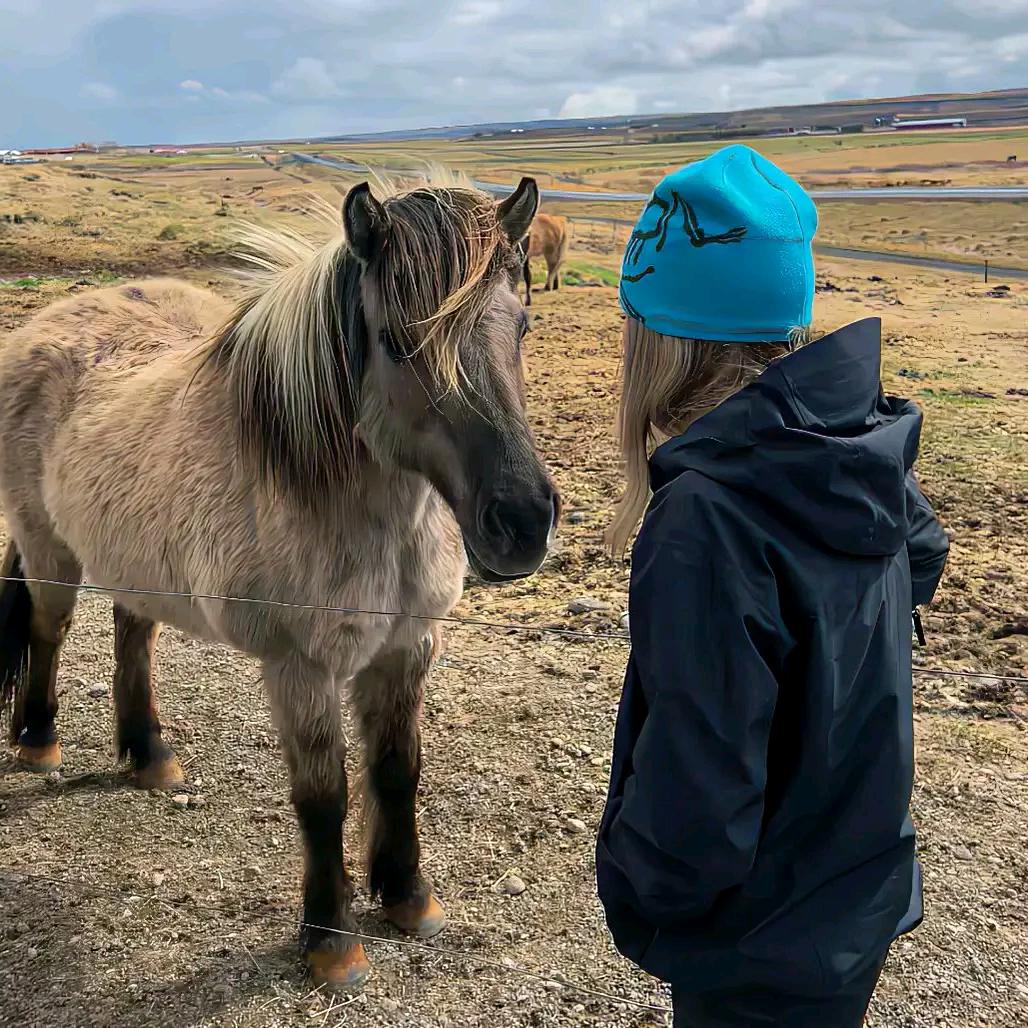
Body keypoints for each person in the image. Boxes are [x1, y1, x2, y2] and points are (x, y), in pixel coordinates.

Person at [595, 144, 949, 1027]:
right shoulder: (853, 452)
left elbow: (700, 788)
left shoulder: (706, 519)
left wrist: (645, 891)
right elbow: (923, 556)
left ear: (660, 335)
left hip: (754, 946)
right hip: (852, 899)